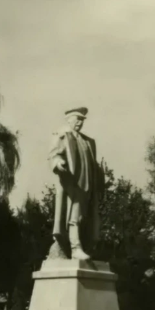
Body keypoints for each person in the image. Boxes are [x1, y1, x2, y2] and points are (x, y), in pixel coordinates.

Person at [47, 107, 105, 261]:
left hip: (88, 185)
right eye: (77, 119)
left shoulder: (88, 141)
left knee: (85, 217)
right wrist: (58, 162)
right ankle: (75, 248)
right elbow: (54, 154)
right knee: (74, 216)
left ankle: (84, 245)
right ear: (69, 120)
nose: (79, 123)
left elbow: (93, 163)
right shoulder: (63, 136)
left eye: (82, 120)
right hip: (72, 184)